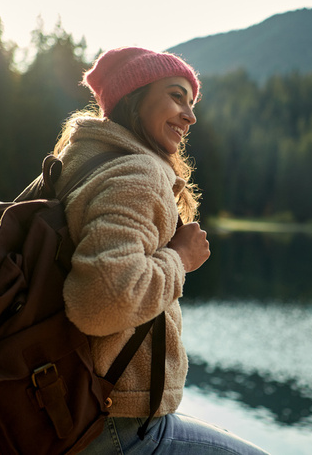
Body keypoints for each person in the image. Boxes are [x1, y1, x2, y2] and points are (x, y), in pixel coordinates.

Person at [51, 47, 269, 454]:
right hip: (116, 427)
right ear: (134, 98)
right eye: (176, 96)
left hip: (68, 412)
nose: (190, 115)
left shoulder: (81, 158)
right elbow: (101, 300)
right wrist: (180, 259)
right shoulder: (137, 171)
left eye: (191, 102)